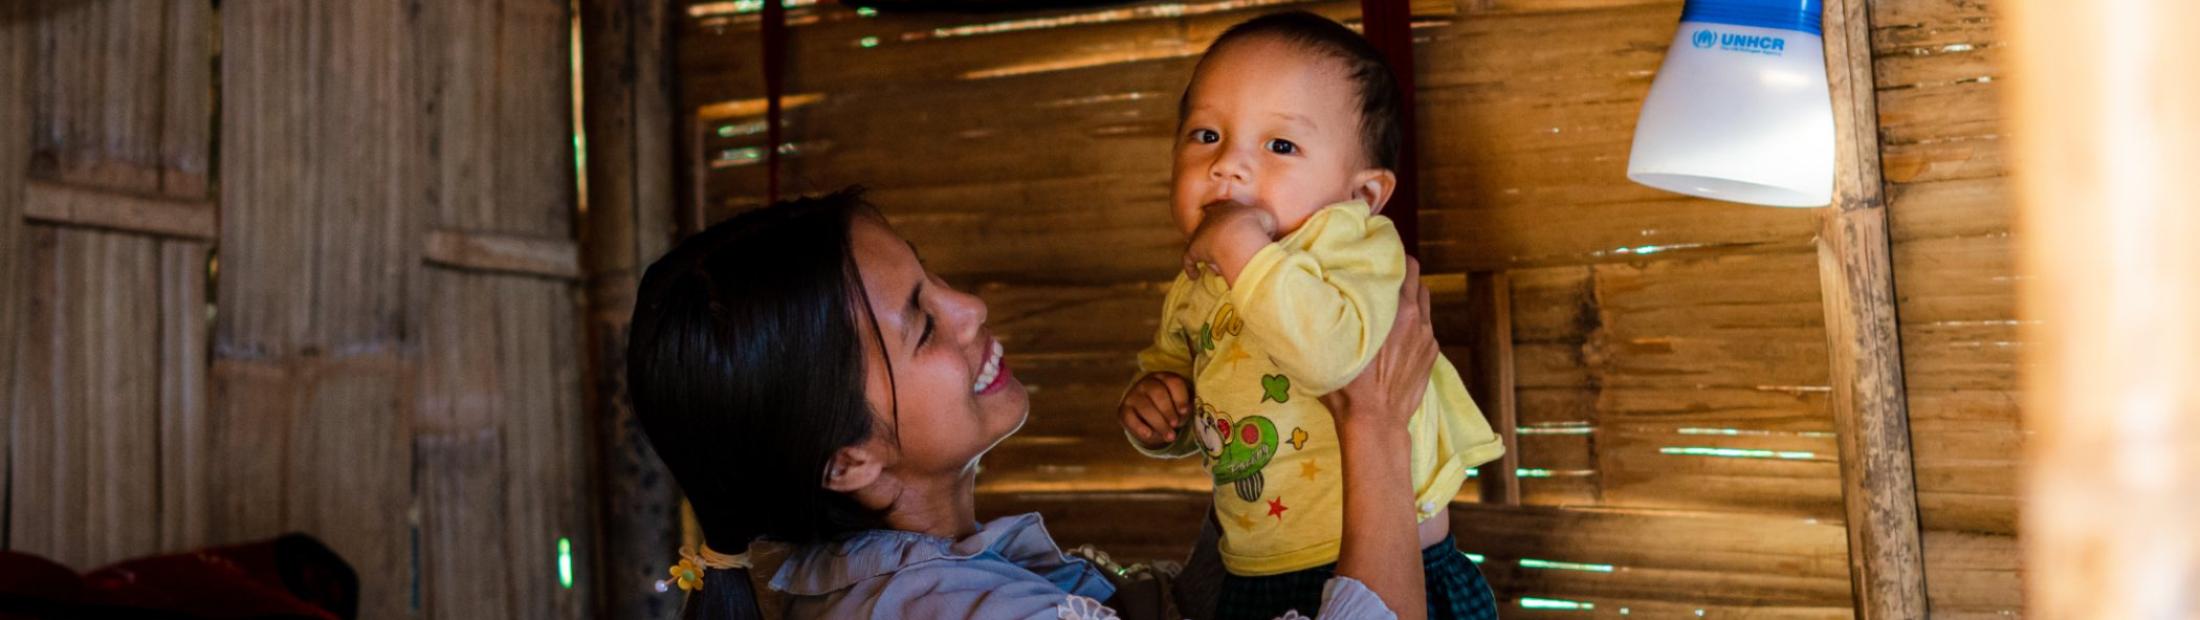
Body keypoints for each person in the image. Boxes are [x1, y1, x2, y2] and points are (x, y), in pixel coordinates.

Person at [627, 188, 1446, 619]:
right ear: (848, 460)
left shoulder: (933, 577)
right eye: (921, 322)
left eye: (931, 276)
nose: (970, 308)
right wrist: (1372, 430)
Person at [1113, 12, 1503, 620]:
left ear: (1363, 195)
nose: (1228, 166)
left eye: (1281, 145)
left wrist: (1240, 247)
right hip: (1249, 569)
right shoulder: (1198, 280)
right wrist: (1160, 407)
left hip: (1401, 565)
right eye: (1206, 136)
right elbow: (1204, 401)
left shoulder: (1352, 246)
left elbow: (1333, 358)